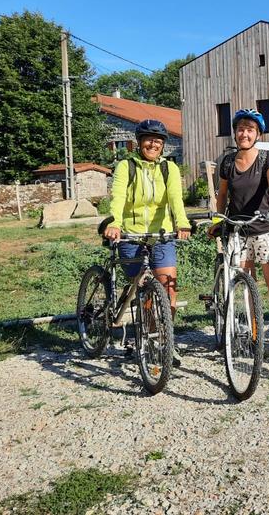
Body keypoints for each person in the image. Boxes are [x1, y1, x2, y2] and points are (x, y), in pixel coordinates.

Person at [104, 119, 191, 365]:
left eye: (158, 141)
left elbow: (176, 198)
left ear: (163, 145)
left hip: (161, 236)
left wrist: (182, 223)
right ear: (139, 142)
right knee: (143, 287)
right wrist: (115, 223)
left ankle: (162, 339)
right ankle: (147, 331)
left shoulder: (169, 169)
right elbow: (118, 196)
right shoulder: (125, 166)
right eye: (149, 140)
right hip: (131, 235)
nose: (153, 144)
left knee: (168, 288)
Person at [213, 109, 269, 357]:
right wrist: (218, 219)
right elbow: (222, 194)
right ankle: (255, 333)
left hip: (265, 228)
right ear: (235, 132)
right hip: (238, 230)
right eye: (241, 129)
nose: (244, 133)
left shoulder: (267, 157)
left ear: (257, 134)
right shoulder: (227, 162)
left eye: (250, 129)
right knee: (247, 283)